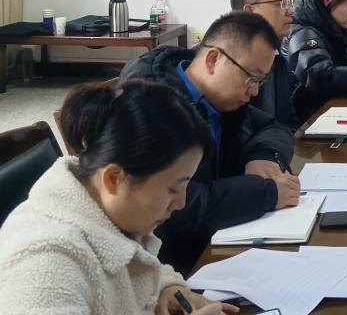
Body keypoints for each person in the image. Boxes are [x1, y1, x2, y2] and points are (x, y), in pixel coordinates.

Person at [0, 80, 237, 314]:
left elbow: (131, 260)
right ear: (114, 179)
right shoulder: (45, 264)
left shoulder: (104, 205)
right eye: (173, 189)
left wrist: (166, 287)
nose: (181, 203)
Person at [121, 11, 300, 272]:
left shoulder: (220, 98)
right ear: (213, 59)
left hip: (219, 236)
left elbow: (274, 127)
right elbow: (171, 208)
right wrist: (266, 194)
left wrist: (263, 156)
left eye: (260, 81)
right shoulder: (152, 105)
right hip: (171, 261)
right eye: (251, 78)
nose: (254, 91)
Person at [230, 0, 299, 130]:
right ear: (250, 11)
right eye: (280, 3)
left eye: (289, 2)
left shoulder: (278, 58)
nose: (290, 11)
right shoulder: (228, 64)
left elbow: (289, 121)